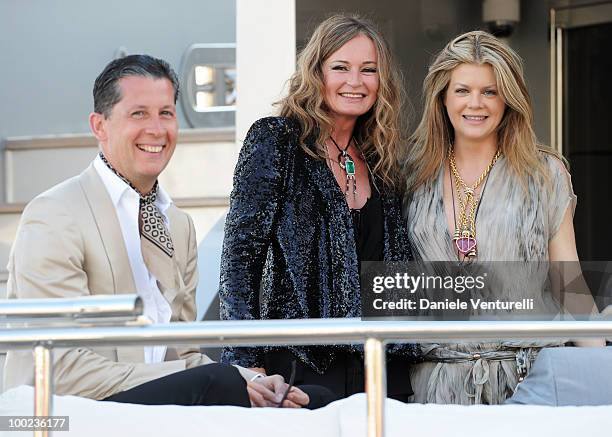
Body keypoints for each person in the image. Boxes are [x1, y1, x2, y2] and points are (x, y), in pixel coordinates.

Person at [3, 54, 308, 409]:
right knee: (222, 384)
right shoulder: (55, 213)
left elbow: (183, 352)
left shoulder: (178, 225)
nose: (157, 129)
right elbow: (62, 368)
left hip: (154, 409)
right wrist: (205, 380)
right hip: (68, 412)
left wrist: (253, 380)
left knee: (306, 398)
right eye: (138, 113)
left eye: (165, 113)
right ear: (99, 126)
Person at [219, 14, 419, 402]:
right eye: (340, 67)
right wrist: (247, 362)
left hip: (382, 365)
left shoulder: (383, 158)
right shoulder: (275, 140)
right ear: (316, 72)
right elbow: (240, 258)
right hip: (302, 362)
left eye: (369, 70)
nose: (355, 81)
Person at [403, 31, 602, 404]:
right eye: (462, 90)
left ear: (508, 99)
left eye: (490, 91)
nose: (475, 104)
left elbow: (569, 284)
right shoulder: (410, 177)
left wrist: (600, 370)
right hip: (435, 386)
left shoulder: (545, 172)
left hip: (530, 382)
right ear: (442, 96)